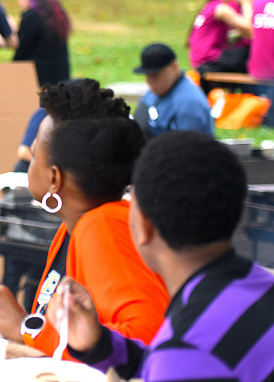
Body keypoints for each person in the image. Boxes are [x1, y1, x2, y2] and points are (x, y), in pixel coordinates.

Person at [0, 79, 170, 358]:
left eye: (33, 157)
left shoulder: (103, 227)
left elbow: (145, 339)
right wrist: (8, 318)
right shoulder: (76, 227)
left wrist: (22, 327)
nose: (29, 164)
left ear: (54, 178)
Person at [50, 131, 274, 381]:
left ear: (144, 226)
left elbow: (183, 361)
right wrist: (100, 343)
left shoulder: (185, 350)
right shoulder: (260, 285)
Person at [132, 42, 214, 139]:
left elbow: (189, 149)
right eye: (147, 75)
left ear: (174, 66)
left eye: (155, 75)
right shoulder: (159, 89)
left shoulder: (189, 105)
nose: (149, 81)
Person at [12, 0, 71, 87]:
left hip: (39, 80)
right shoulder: (56, 14)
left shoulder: (31, 17)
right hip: (61, 78)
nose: (18, 1)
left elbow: (21, 51)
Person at [188, 0, 252, 77]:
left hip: (200, 57)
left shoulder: (211, 5)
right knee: (248, 52)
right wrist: (247, 2)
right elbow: (247, 27)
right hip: (208, 59)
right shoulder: (221, 9)